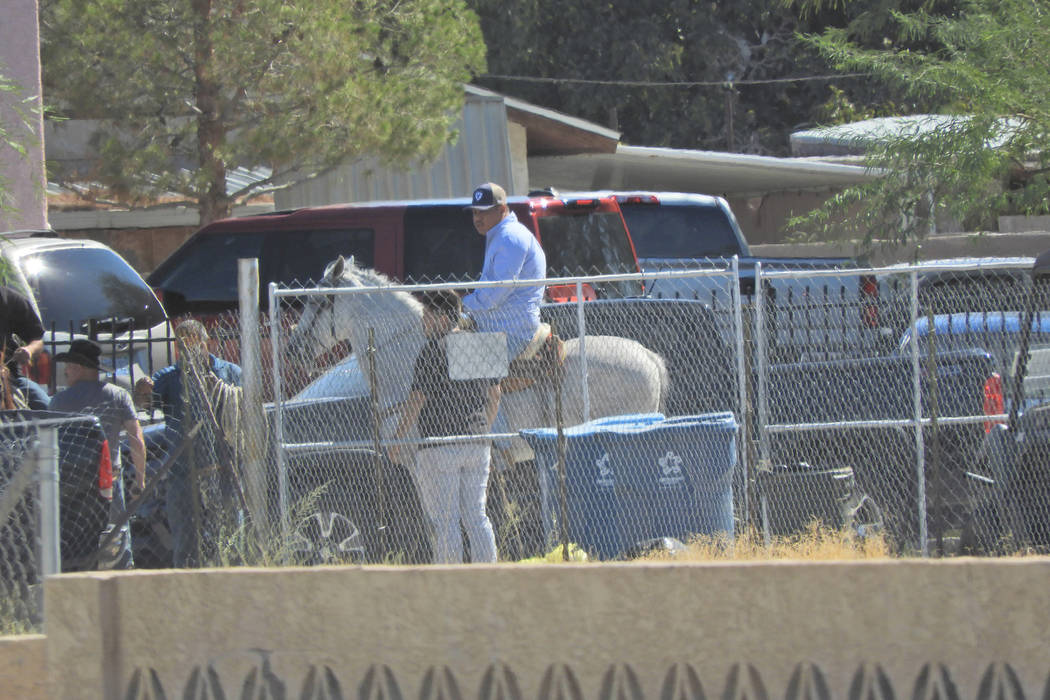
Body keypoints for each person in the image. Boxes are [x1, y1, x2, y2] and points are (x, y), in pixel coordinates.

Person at [388, 289, 501, 564]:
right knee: (477, 516)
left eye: (426, 316)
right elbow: (495, 394)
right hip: (477, 443)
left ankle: (449, 583)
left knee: (447, 521)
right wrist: (483, 427)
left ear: (440, 317)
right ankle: (489, 577)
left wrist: (397, 438)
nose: (423, 323)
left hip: (439, 445)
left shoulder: (430, 351)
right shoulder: (478, 344)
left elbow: (417, 400)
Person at [134, 319, 242, 567]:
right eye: (183, 347)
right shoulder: (170, 378)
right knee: (185, 540)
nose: (190, 352)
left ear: (206, 344)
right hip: (184, 471)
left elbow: (244, 407)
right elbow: (148, 402)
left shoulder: (229, 373)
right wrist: (144, 392)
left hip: (225, 466)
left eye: (195, 344)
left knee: (231, 534)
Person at [50, 338, 146, 568]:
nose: (65, 372)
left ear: (78, 368)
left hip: (70, 482)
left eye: (69, 366)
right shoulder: (118, 395)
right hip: (108, 479)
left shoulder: (58, 402)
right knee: (116, 538)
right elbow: (136, 438)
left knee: (75, 543)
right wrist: (140, 480)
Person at [462, 182, 547, 361]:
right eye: (475, 212)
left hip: (511, 331)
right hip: (499, 326)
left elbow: (494, 294)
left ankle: (492, 389)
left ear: (501, 209)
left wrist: (462, 306)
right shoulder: (502, 236)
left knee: (460, 368)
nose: (477, 218)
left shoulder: (509, 238)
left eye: (483, 212)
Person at [0, 285, 49, 409]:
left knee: (44, 406)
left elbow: (38, 339)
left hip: (8, 377)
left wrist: (28, 350)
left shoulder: (10, 298)